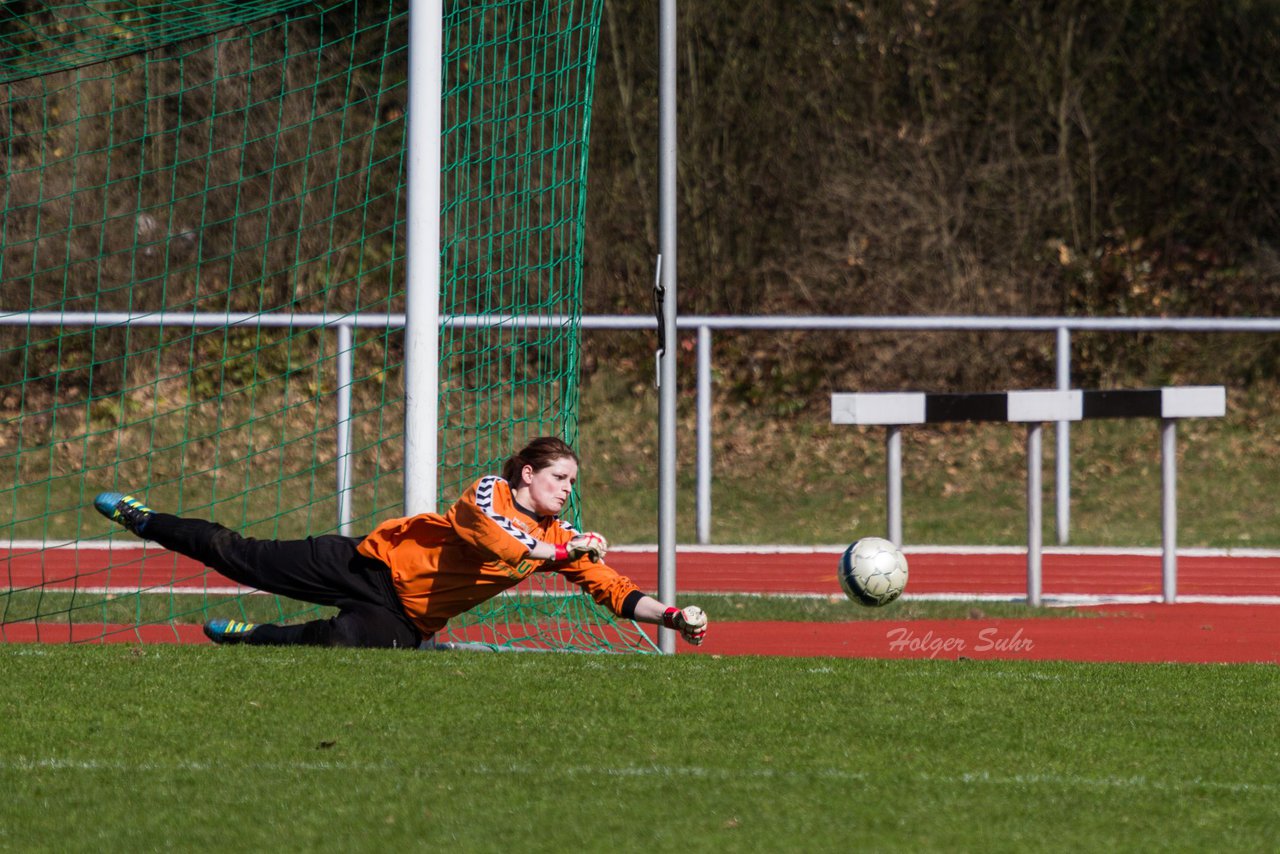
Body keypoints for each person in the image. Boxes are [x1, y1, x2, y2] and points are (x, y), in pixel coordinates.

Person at [93, 436, 708, 650]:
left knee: (345, 643)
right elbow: (495, 541)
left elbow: (614, 589)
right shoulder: (489, 491)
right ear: (529, 474)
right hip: (366, 565)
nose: (568, 492)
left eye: (573, 484)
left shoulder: (563, 537)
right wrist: (560, 553)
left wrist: (672, 616)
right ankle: (145, 519)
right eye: (560, 480)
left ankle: (251, 636)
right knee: (240, 554)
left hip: (408, 617)